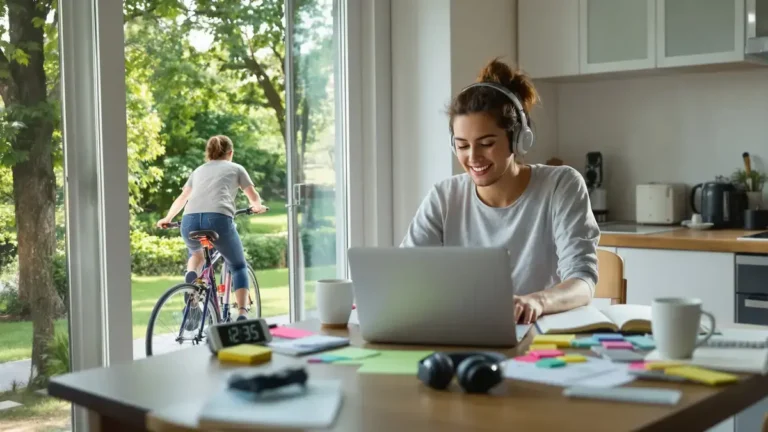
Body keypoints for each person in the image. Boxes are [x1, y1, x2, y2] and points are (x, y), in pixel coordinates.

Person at [401, 58, 600, 325]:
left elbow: (582, 281)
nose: (473, 157)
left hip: (537, 335)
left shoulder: (560, 185)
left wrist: (537, 301)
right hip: (462, 331)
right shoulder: (444, 197)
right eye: (462, 146)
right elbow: (404, 274)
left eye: (486, 143)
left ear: (518, 140)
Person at [157, 135, 267, 321]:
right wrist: (257, 206)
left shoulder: (198, 170)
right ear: (230, 153)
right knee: (238, 266)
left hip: (189, 220)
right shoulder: (236, 168)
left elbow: (183, 197)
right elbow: (252, 195)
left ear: (208, 154)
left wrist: (168, 218)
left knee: (196, 255)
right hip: (218, 220)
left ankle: (192, 284)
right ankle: (242, 313)